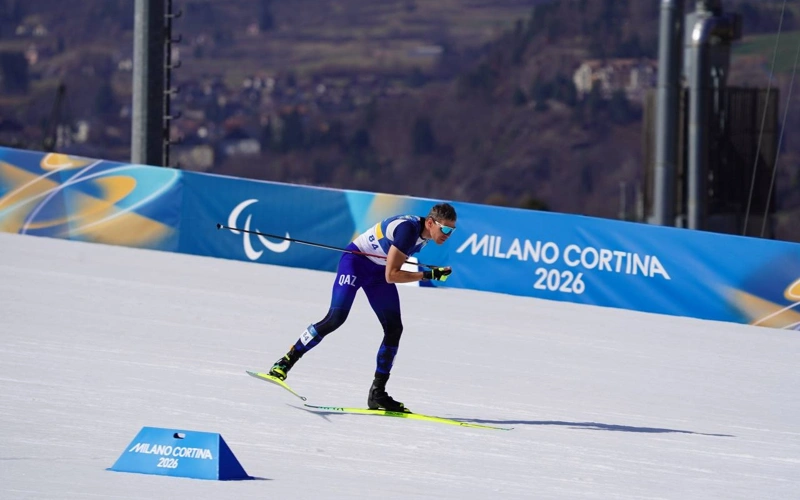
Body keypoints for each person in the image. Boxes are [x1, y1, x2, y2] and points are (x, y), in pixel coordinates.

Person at [268, 202, 458, 412]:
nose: (448, 234)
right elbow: (392, 275)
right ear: (431, 222)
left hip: (376, 273)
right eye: (446, 229)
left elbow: (389, 267)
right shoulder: (408, 230)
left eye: (452, 230)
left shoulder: (424, 236)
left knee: (394, 328)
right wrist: (428, 274)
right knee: (335, 318)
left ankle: (378, 394)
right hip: (356, 262)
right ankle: (285, 362)